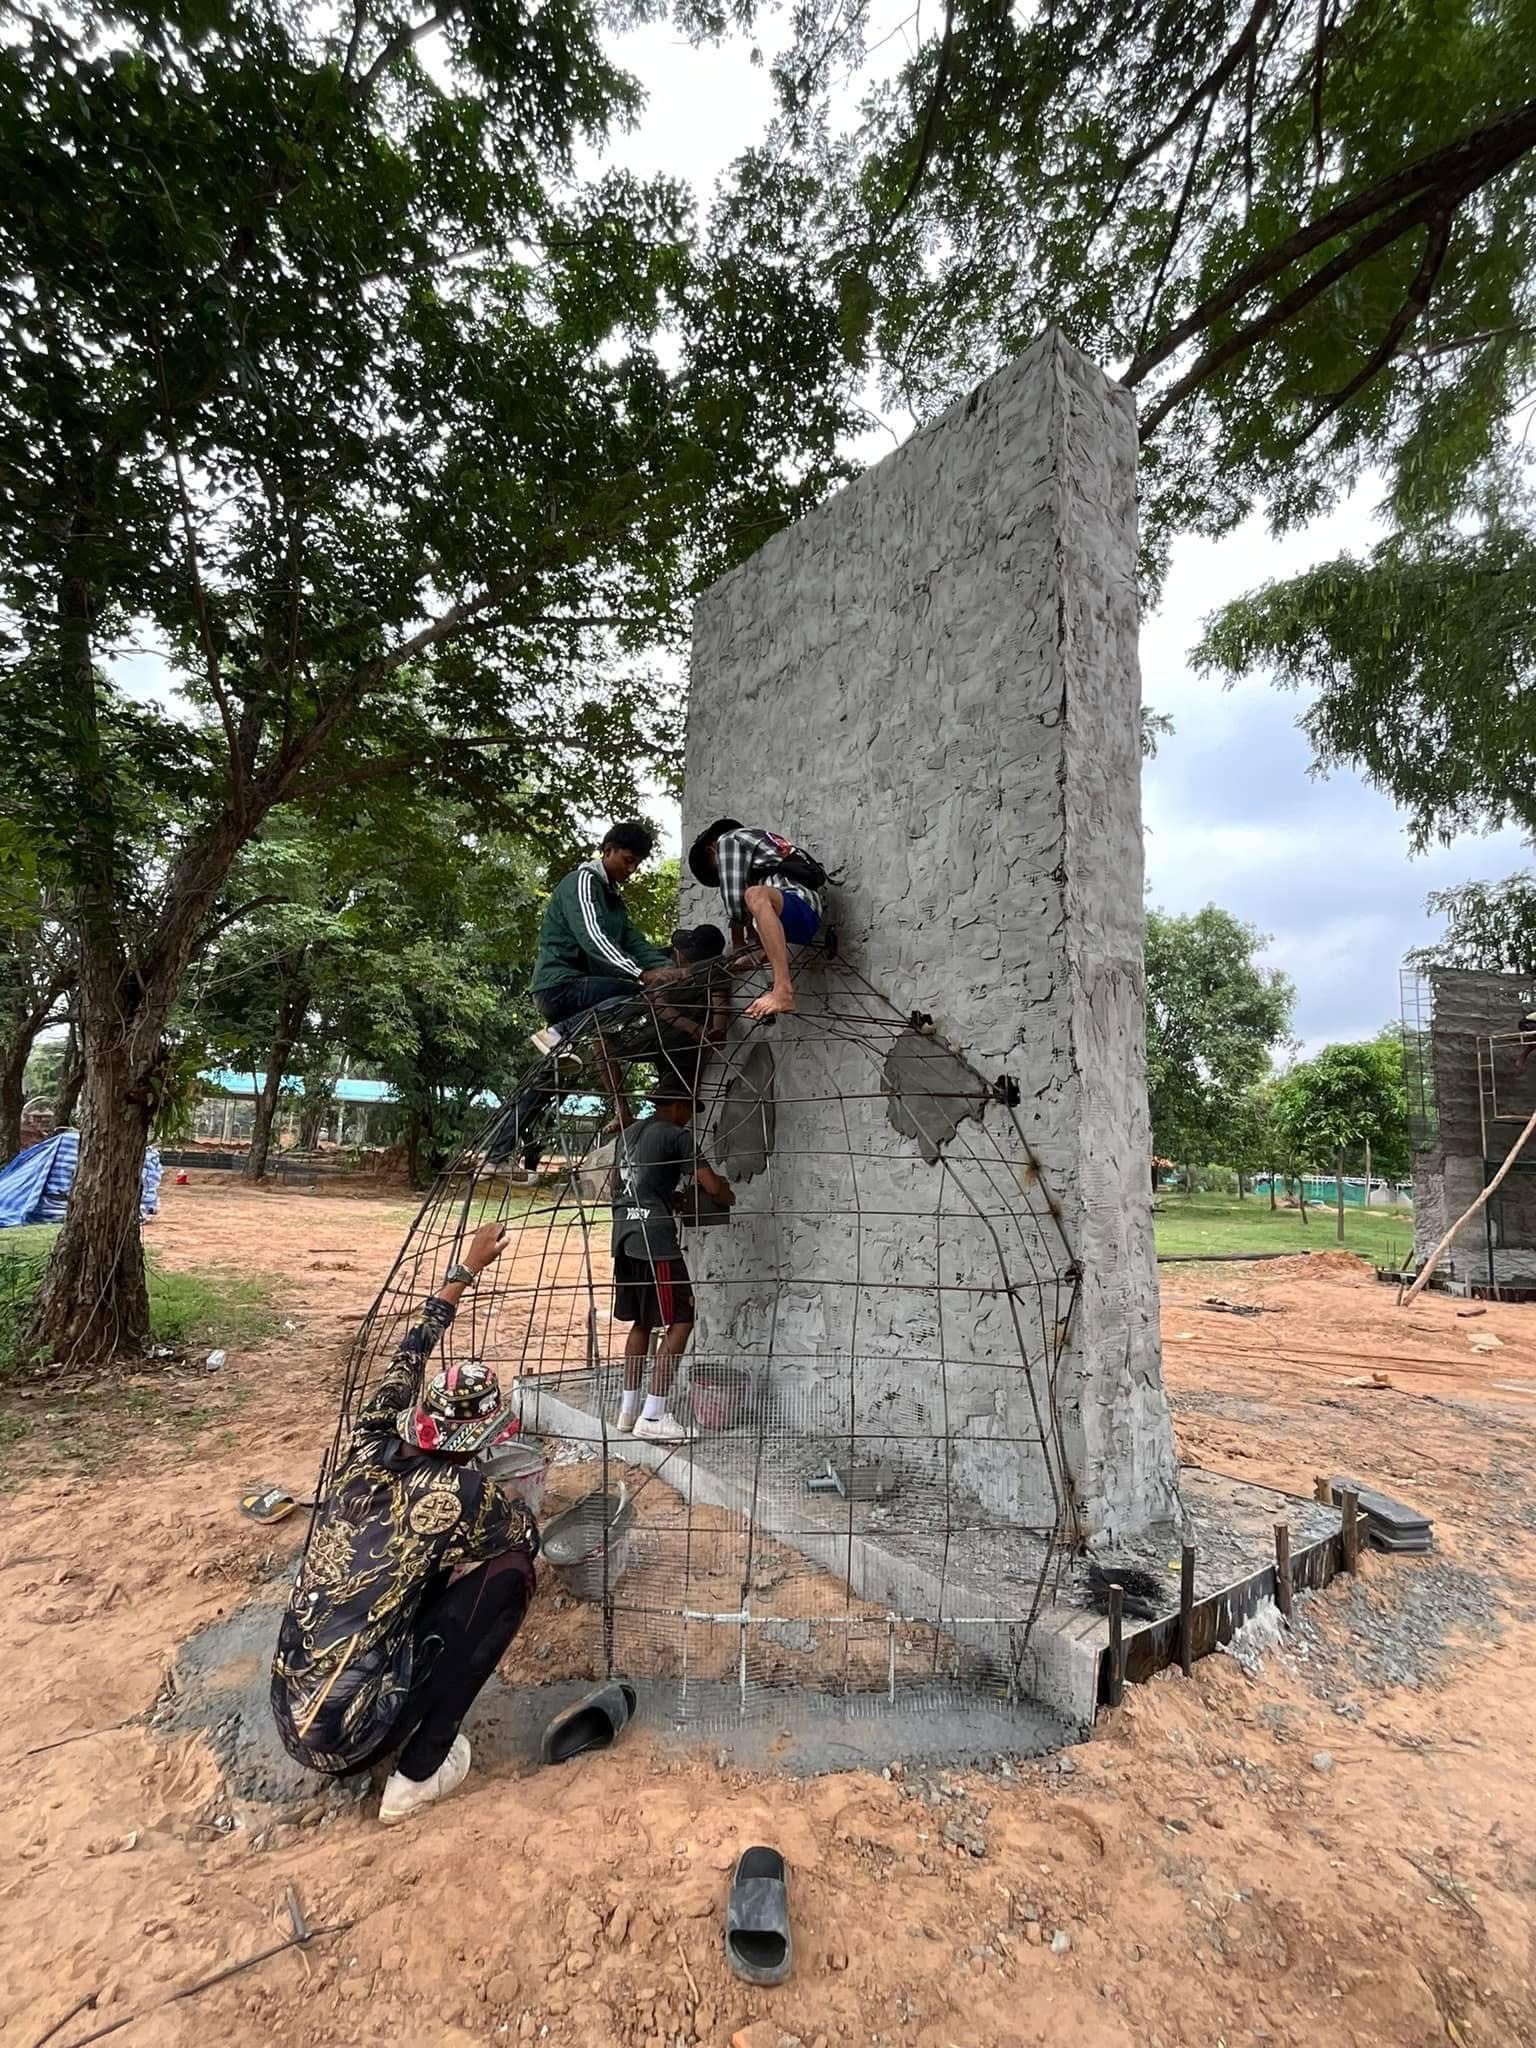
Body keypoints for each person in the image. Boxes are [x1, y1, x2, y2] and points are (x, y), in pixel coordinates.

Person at [270, 1220, 539, 1825]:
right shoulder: (462, 1492)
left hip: (293, 1710)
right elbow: (521, 1535)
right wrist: (508, 1505)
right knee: (513, 1572)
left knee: (412, 1568)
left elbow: (409, 1351)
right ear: (484, 1439)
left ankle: (380, 1712)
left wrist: (464, 1271)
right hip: (350, 1732)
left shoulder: (369, 1438)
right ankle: (419, 1772)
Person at [486, 823, 675, 1170]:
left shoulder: (614, 900)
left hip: (587, 996)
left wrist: (669, 970)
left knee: (547, 1079)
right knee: (638, 992)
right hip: (563, 987)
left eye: (637, 864)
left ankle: (496, 1156)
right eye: (627, 860)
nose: (631, 870)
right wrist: (642, 975)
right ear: (607, 850)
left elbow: (634, 944)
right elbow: (594, 939)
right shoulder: (583, 882)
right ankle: (559, 1033)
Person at [611, 1086, 733, 1442]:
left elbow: (625, 1186)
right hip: (656, 1240)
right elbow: (710, 1184)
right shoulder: (678, 1135)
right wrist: (724, 1193)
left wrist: (668, 1197)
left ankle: (628, 1409)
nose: (690, 1117)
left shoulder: (630, 1132)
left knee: (642, 1322)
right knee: (681, 1320)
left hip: (624, 1234)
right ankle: (654, 1414)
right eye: (689, 1109)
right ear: (678, 1106)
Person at [686, 820, 823, 1021]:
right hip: (802, 914)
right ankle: (765, 965)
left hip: (799, 902)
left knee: (754, 895)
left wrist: (738, 941)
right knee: (754, 897)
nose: (722, 872)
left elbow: (733, 898)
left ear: (711, 849)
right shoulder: (759, 850)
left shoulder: (727, 840)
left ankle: (782, 989)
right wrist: (748, 948)